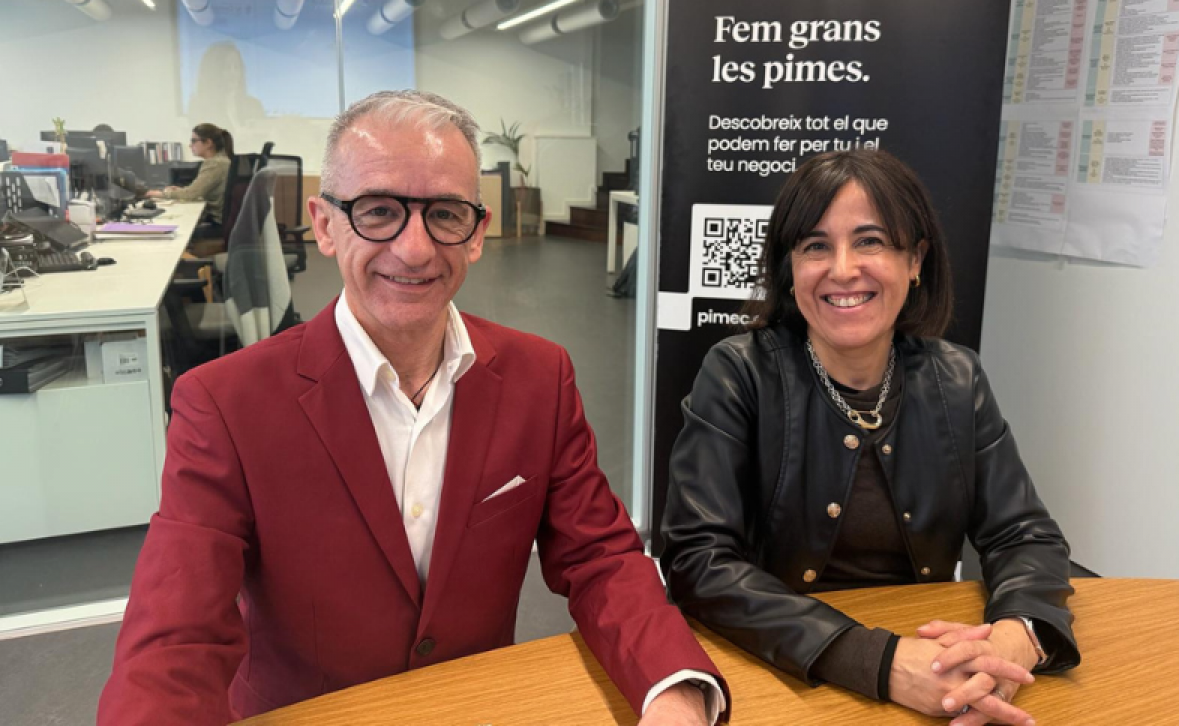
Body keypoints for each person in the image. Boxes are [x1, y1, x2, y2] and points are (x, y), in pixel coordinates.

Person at [98, 90, 728, 725]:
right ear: (324, 225)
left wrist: (673, 692)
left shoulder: (540, 378)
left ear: (476, 232)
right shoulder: (225, 403)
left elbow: (602, 559)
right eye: (378, 211)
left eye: (446, 214)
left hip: (473, 712)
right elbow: (175, 638)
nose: (416, 249)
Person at [660, 149, 1079, 726]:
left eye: (870, 241)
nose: (842, 269)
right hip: (784, 670)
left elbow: (1025, 534)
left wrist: (1013, 640)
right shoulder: (739, 373)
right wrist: (881, 663)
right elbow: (697, 560)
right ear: (789, 269)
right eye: (815, 246)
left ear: (916, 260)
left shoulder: (957, 378)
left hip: (935, 664)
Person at [144, 123, 233, 225]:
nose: (190, 145)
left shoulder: (215, 163)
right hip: (215, 219)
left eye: (194, 141)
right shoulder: (220, 161)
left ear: (208, 143)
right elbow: (195, 192)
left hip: (214, 222)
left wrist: (160, 194)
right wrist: (180, 191)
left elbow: (191, 194)